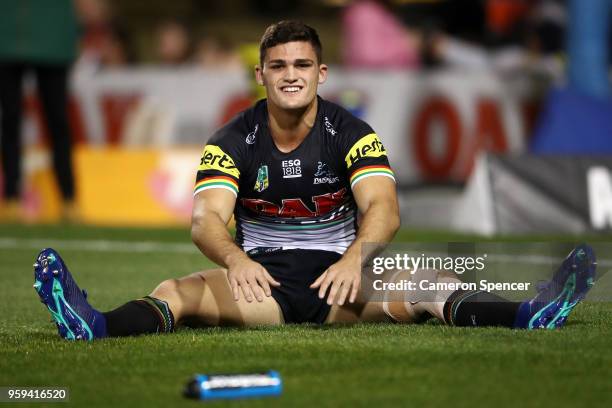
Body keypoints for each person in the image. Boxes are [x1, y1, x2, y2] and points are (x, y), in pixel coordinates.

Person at [32, 21, 596, 340]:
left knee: (431, 279)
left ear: (321, 73)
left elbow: (385, 208)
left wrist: (354, 261)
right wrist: (236, 261)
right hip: (264, 285)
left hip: (342, 285)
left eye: (301, 66)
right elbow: (204, 218)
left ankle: (529, 314)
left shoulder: (352, 131)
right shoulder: (232, 138)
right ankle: (94, 324)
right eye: (278, 67)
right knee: (176, 293)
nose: (290, 77)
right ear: (261, 75)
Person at [0, 0, 79, 221]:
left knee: (58, 120)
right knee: (10, 120)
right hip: (9, 33)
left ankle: (69, 198)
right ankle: (11, 197)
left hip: (52, 35)